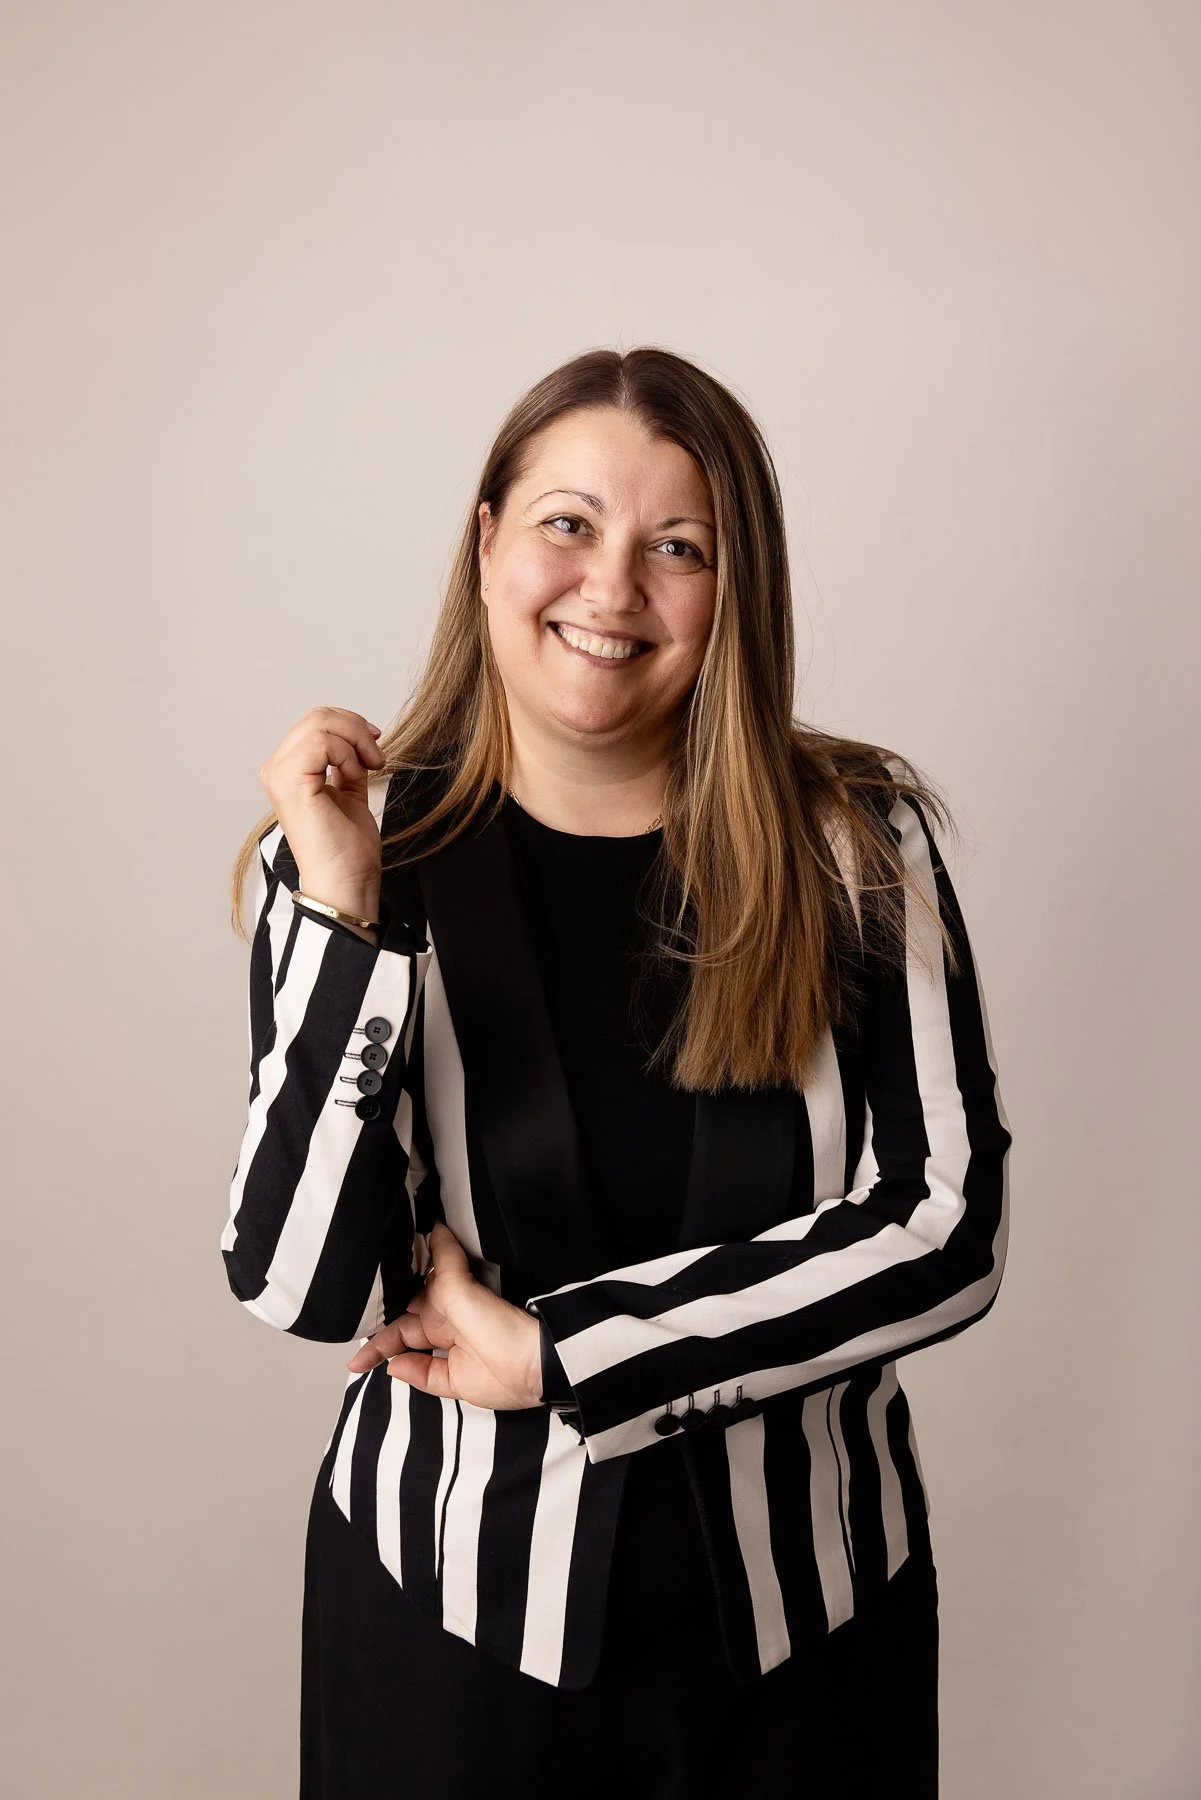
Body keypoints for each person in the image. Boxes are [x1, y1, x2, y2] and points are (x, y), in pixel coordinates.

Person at [222, 345, 1012, 1798]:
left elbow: (944, 1232)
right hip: (449, 1630)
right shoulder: (345, 853)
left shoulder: (856, 847)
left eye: (678, 547)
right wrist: (343, 919)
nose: (613, 589)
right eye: (568, 525)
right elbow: (300, 1284)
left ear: (737, 588)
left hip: (808, 1640)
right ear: (487, 542)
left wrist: (571, 1356)